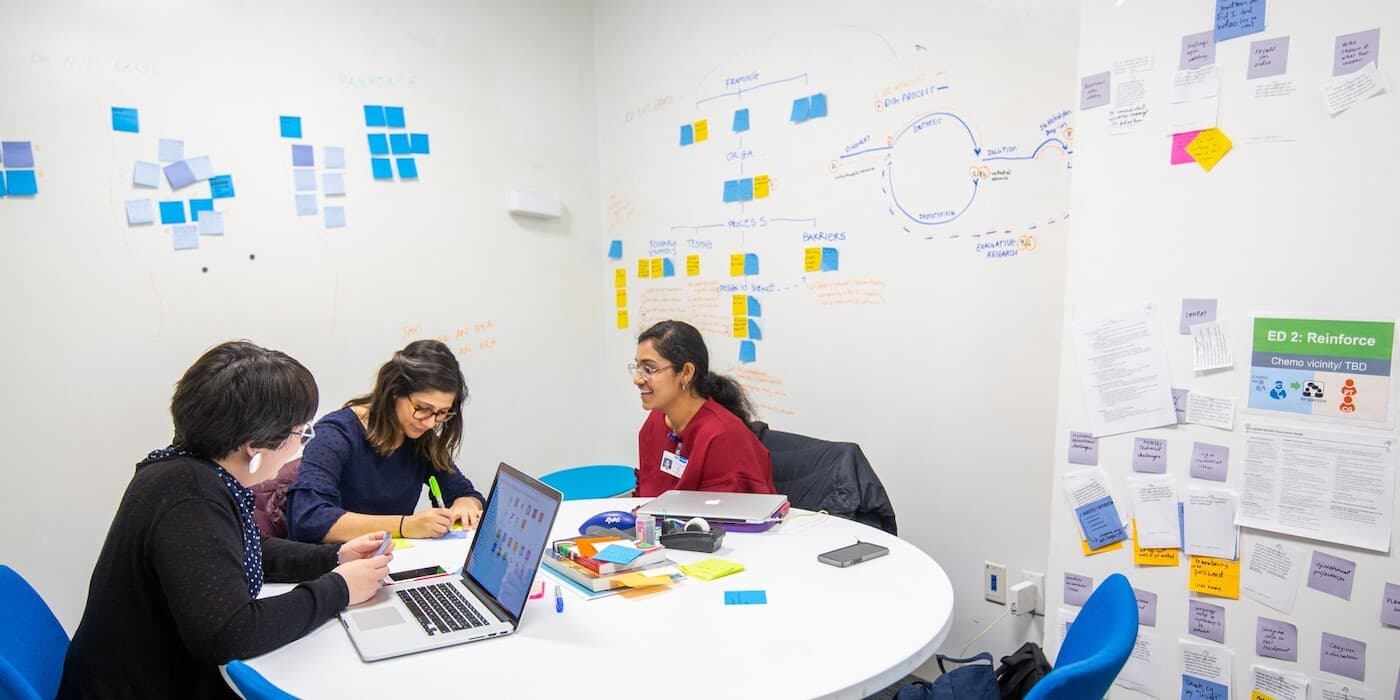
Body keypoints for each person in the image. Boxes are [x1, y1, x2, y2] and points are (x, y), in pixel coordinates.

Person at [58, 341, 392, 699]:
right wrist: (339, 589)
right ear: (255, 444)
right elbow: (230, 632)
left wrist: (334, 557)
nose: (300, 445)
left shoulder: (183, 470)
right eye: (300, 433)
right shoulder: (192, 499)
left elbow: (238, 547)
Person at [286, 339, 485, 543]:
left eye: (442, 413)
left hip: (387, 557)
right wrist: (404, 526)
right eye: (422, 408)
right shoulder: (335, 435)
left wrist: (465, 505)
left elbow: (465, 492)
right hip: (331, 559)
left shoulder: (420, 438)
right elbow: (309, 519)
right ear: (394, 392)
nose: (430, 422)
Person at [631, 320, 776, 497]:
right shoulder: (655, 423)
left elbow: (728, 511)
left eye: (649, 369)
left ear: (686, 372)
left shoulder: (722, 436)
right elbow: (646, 492)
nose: (637, 379)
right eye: (638, 367)